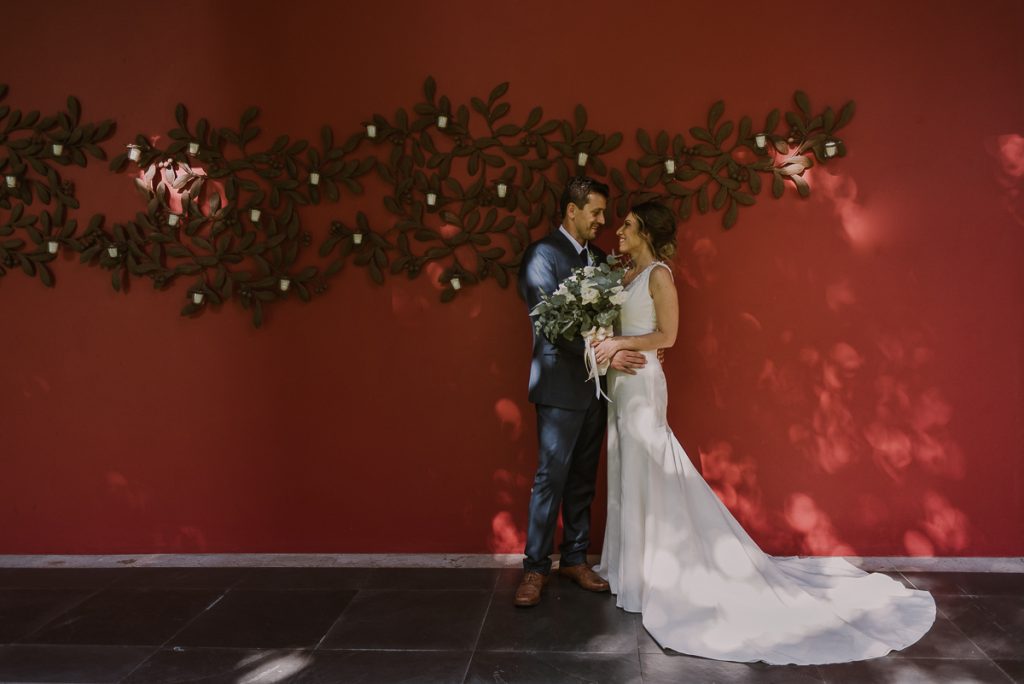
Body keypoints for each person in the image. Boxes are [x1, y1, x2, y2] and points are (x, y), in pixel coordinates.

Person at [590, 201, 936, 665]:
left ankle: (658, 571)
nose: (619, 230)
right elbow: (618, 325)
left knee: (648, 464)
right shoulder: (626, 273)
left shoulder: (658, 274)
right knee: (626, 464)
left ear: (646, 232)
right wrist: (602, 342)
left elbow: (668, 336)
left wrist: (620, 342)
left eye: (628, 224)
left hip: (643, 382)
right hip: (619, 380)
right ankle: (629, 566)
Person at [514, 176, 649, 607]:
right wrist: (604, 353)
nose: (601, 220)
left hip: (596, 390)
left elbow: (611, 318)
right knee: (549, 478)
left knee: (583, 478)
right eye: (594, 212)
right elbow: (547, 323)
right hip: (558, 387)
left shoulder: (597, 258)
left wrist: (630, 344)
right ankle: (535, 569)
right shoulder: (542, 255)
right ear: (571, 210)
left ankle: (574, 558)